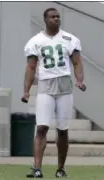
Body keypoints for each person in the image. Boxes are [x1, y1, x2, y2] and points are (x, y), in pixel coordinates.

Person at [22, 8, 85, 178]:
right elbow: (31, 67)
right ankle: (37, 168)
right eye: (52, 17)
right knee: (41, 127)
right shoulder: (36, 41)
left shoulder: (69, 39)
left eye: (58, 17)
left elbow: (77, 62)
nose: (56, 19)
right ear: (45, 19)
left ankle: (61, 168)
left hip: (64, 85)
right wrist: (26, 91)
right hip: (46, 86)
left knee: (62, 130)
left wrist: (79, 80)